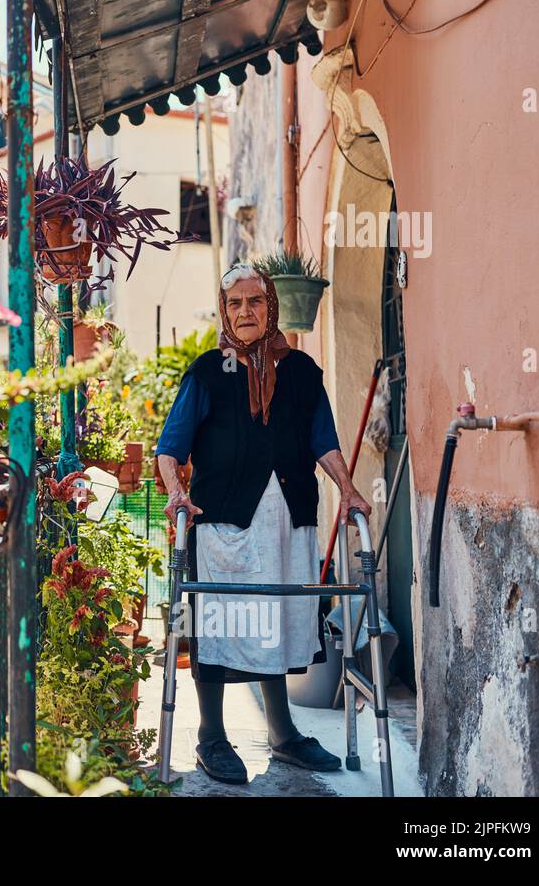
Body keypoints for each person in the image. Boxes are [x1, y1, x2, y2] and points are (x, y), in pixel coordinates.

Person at [155, 263, 372, 785]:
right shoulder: (208, 371)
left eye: (255, 301)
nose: (245, 312)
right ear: (225, 312)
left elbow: (324, 439)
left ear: (271, 307)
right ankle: (211, 736)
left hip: (288, 519)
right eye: (234, 304)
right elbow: (170, 445)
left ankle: (283, 733)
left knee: (275, 616)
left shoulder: (301, 371)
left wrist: (348, 489)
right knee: (217, 622)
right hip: (224, 521)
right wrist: (176, 493)